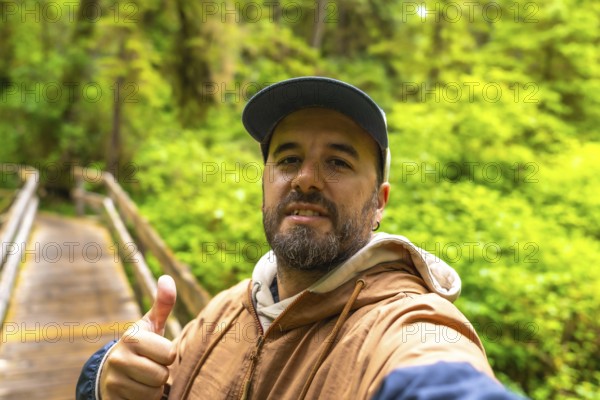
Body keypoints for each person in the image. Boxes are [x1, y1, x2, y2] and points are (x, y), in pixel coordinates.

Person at [76, 77, 523, 399]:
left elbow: (437, 378)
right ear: (265, 184)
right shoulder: (226, 310)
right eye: (288, 160)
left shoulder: (406, 325)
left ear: (380, 201)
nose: (305, 180)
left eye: (338, 163)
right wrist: (105, 377)